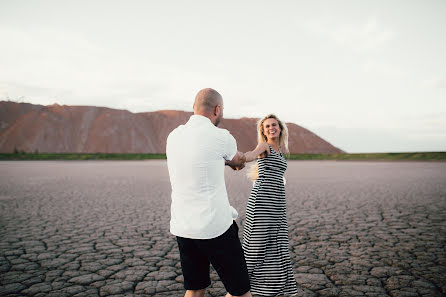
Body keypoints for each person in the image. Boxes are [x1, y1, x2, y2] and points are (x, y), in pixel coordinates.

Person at [166, 88, 269, 297]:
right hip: (215, 227)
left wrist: (224, 162)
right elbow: (239, 160)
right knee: (240, 292)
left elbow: (200, 160)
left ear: (194, 108)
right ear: (217, 109)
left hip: (184, 226)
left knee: (194, 289)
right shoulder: (220, 136)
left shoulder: (174, 136)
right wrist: (259, 149)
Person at [243, 114, 299, 297]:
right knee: (256, 245)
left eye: (274, 125)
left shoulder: (281, 151)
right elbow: (251, 155)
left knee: (275, 245)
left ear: (280, 128)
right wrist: (237, 158)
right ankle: (240, 287)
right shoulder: (264, 146)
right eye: (267, 126)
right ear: (263, 131)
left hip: (277, 203)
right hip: (262, 203)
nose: (271, 128)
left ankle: (269, 289)